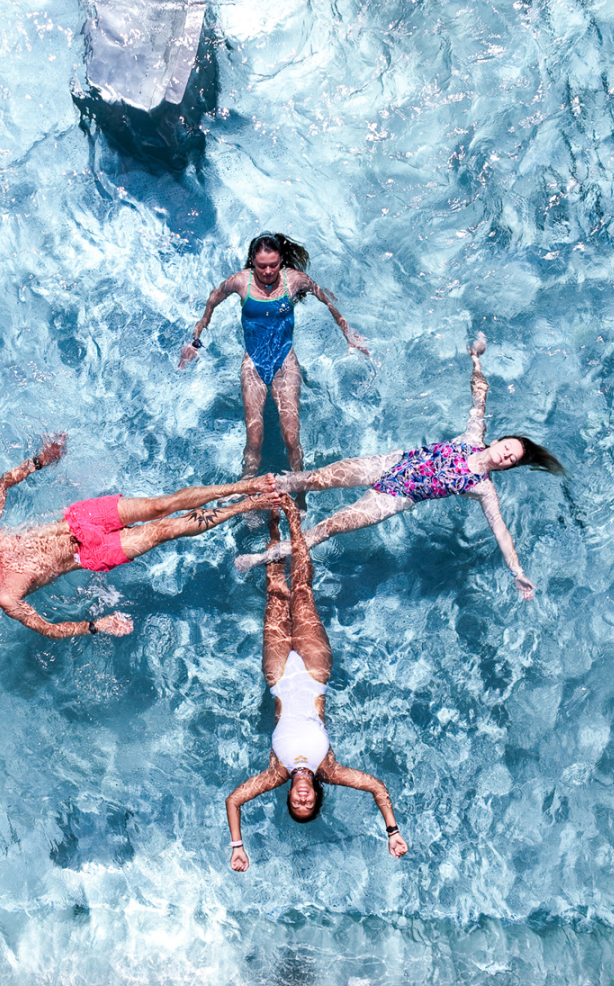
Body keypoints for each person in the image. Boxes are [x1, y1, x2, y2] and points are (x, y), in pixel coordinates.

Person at [233, 334, 565, 600]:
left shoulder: (483, 488)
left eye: (512, 459)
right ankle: (246, 494)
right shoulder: (474, 434)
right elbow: (480, 395)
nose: (506, 455)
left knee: (328, 529)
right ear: (498, 442)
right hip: (390, 463)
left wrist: (517, 573)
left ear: (507, 467)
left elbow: (501, 533)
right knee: (313, 478)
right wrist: (476, 358)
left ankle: (262, 558)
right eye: (508, 447)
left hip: (394, 497)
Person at [0, 433, 277, 639]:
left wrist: (41, 460)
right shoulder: (6, 598)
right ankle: (245, 504)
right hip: (90, 555)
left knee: (163, 505)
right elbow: (49, 629)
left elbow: (1, 485)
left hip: (81, 519)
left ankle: (244, 486)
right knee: (164, 530)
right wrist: (95, 625)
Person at [225, 493, 409, 871]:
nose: (303, 799)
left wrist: (237, 845)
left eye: (297, 803)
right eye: (309, 804)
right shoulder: (331, 769)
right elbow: (376, 786)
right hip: (313, 671)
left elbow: (234, 800)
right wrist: (392, 831)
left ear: (290, 796)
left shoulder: (277, 772)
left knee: (276, 591)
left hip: (277, 676)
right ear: (317, 797)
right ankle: (294, 513)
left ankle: (274, 519)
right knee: (303, 590)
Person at [179, 232, 369, 478]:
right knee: (254, 440)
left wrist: (348, 332)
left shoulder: (293, 280)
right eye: (261, 266)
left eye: (273, 265)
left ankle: (299, 491)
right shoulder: (240, 282)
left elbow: (326, 299)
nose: (268, 271)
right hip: (253, 364)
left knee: (291, 437)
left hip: (285, 362)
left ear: (281, 261)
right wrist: (195, 341)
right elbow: (212, 302)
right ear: (252, 261)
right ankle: (248, 489)